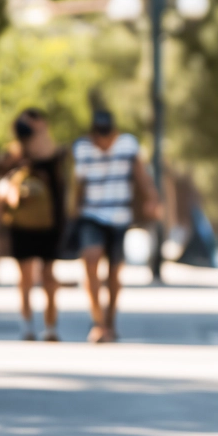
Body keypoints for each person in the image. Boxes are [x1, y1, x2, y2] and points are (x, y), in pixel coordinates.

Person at [71, 109, 159, 343]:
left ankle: (110, 320)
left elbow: (141, 174)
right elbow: (76, 185)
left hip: (120, 215)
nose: (103, 139)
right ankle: (98, 321)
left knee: (114, 273)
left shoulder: (128, 145)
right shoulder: (82, 148)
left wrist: (152, 198)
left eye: (107, 133)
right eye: (99, 134)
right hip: (91, 214)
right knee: (90, 260)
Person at [0, 108, 69, 341]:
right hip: (22, 221)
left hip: (49, 222)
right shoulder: (14, 154)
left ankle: (51, 326)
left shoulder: (54, 153)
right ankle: (27, 325)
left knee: (48, 275)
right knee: (25, 275)